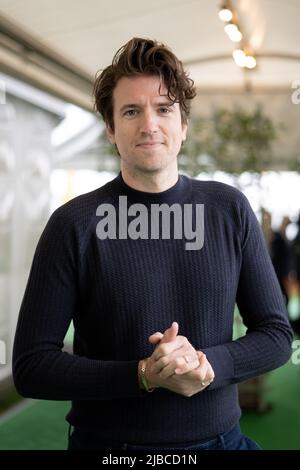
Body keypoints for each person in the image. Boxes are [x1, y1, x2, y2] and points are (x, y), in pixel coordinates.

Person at [13, 37, 293, 452]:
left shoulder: (228, 210)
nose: (149, 125)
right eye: (131, 111)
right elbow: (32, 366)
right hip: (110, 449)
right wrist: (143, 374)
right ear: (110, 128)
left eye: (164, 109)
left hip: (220, 442)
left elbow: (276, 335)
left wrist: (206, 365)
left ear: (184, 125)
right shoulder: (73, 225)